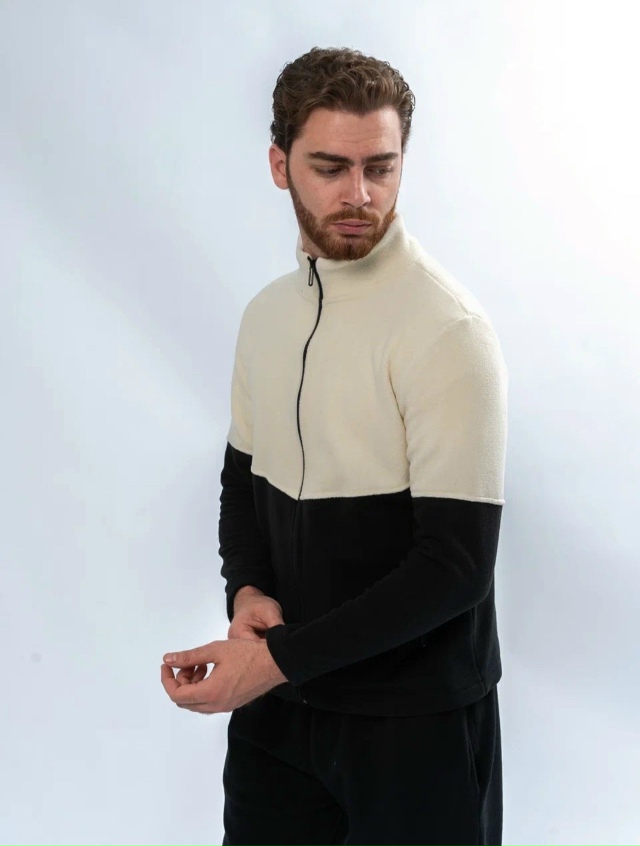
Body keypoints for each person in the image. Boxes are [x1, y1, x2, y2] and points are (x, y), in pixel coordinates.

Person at [161, 46, 508, 846]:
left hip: (414, 726)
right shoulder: (267, 317)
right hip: (280, 716)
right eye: (330, 167)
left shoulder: (447, 331)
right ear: (280, 165)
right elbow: (242, 483)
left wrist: (272, 662)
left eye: (380, 167)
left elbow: (457, 566)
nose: (360, 195)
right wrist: (248, 592)